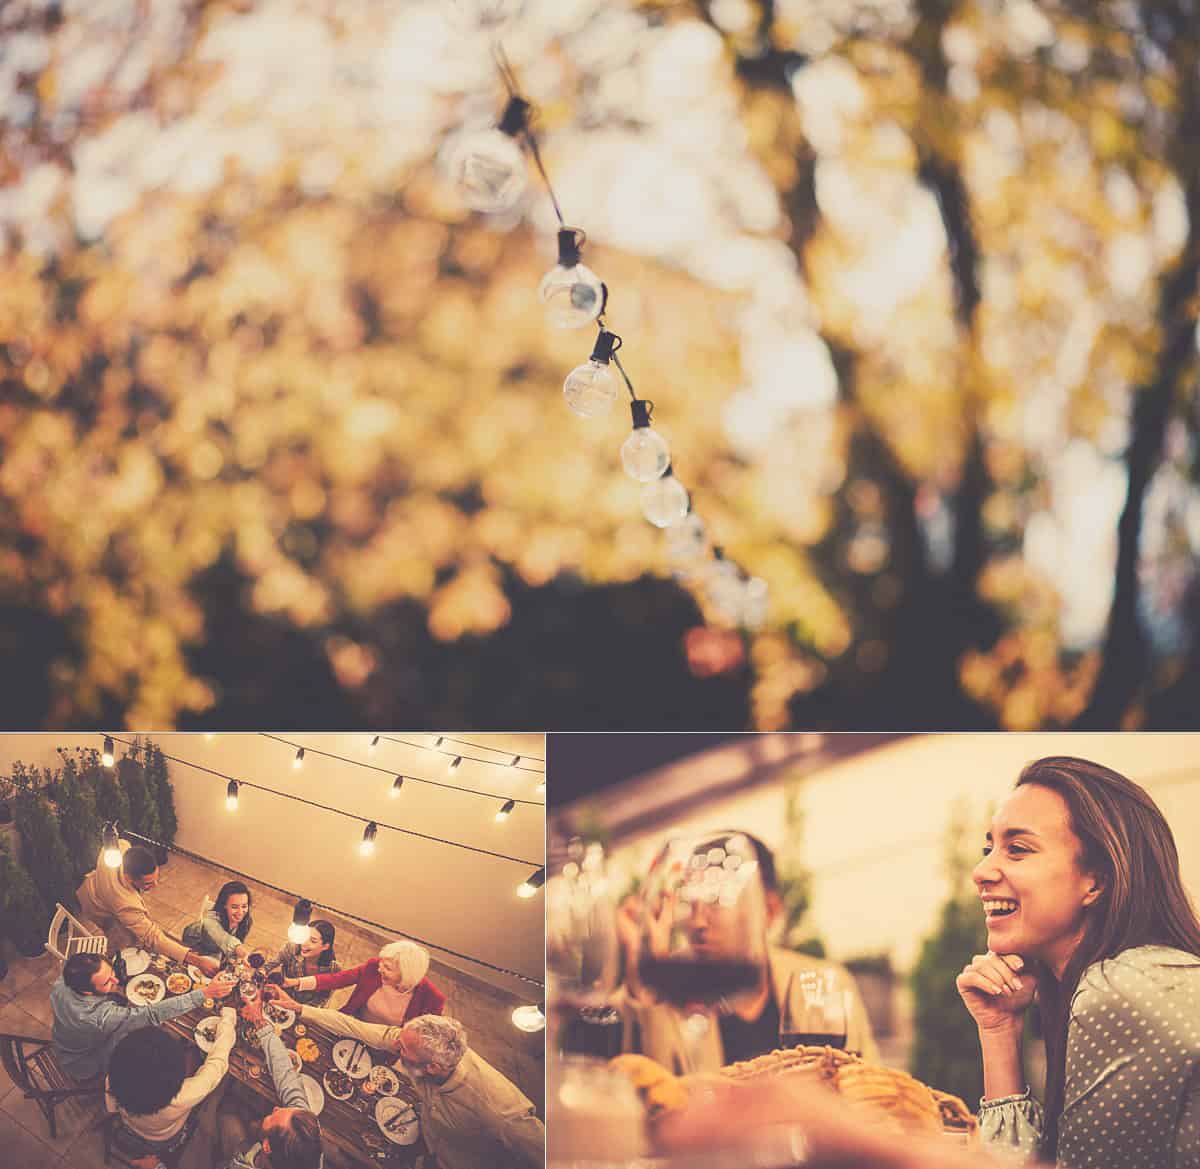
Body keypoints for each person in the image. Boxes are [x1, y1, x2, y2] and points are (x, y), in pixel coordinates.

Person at [957, 755, 1200, 1168]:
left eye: (1017, 849)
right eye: (988, 848)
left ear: (1098, 881)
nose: (981, 870)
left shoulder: (1121, 990)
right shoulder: (1134, 974)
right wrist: (998, 1031)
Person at [616, 831, 878, 1073]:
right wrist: (641, 978)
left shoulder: (828, 984)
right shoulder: (674, 989)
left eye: (716, 900)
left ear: (769, 910)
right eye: (689, 903)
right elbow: (655, 1090)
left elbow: (869, 1086)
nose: (696, 922)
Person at [263, 987, 543, 1169]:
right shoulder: (416, 1044)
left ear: (432, 1067)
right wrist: (299, 1008)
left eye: (403, 1049)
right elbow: (355, 1027)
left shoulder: (500, 1110)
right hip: (424, 1142)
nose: (395, 1046)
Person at [51, 952, 234, 1082]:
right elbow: (151, 1014)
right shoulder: (100, 1019)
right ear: (86, 991)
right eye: (107, 982)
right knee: (143, 1035)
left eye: (112, 974)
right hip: (85, 1062)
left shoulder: (64, 979)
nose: (116, 982)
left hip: (63, 1038)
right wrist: (205, 993)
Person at [105, 1002, 236, 1169]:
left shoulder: (116, 1076)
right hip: (165, 1140)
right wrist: (228, 1017)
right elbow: (217, 1062)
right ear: (176, 1078)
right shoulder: (185, 1096)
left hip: (130, 1127)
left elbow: (112, 1108)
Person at [76, 838, 221, 976]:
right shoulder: (125, 904)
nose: (155, 885)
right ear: (128, 878)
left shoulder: (118, 846)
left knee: (137, 934)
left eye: (156, 878)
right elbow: (153, 936)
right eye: (147, 884)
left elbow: (123, 842)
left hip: (96, 883)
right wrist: (196, 960)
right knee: (124, 943)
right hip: (95, 903)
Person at [216, 995, 323, 1169]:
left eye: (274, 1116)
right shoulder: (307, 1138)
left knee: (226, 1114)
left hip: (241, 1157)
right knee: (250, 1117)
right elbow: (287, 1076)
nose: (276, 1107)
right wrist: (259, 1021)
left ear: (266, 1146)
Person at [282, 937, 444, 1025]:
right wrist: (295, 982)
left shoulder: (432, 999)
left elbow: (420, 1037)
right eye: (382, 962)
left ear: (406, 974)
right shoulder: (374, 967)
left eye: (387, 967)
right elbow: (337, 979)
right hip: (352, 1024)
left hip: (382, 1047)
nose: (380, 968)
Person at [262, 920, 340, 1007]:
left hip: (304, 1007)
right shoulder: (291, 948)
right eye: (304, 937)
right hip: (281, 994)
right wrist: (262, 972)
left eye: (313, 941)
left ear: (325, 946)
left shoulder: (333, 969)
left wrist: (300, 1010)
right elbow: (269, 965)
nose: (304, 943)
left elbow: (322, 999)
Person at [181, 880, 254, 962]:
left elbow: (231, 949)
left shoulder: (247, 922)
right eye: (234, 907)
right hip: (193, 943)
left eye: (244, 906)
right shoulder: (210, 920)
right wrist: (241, 951)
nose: (240, 912)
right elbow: (224, 938)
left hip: (214, 949)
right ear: (224, 905)